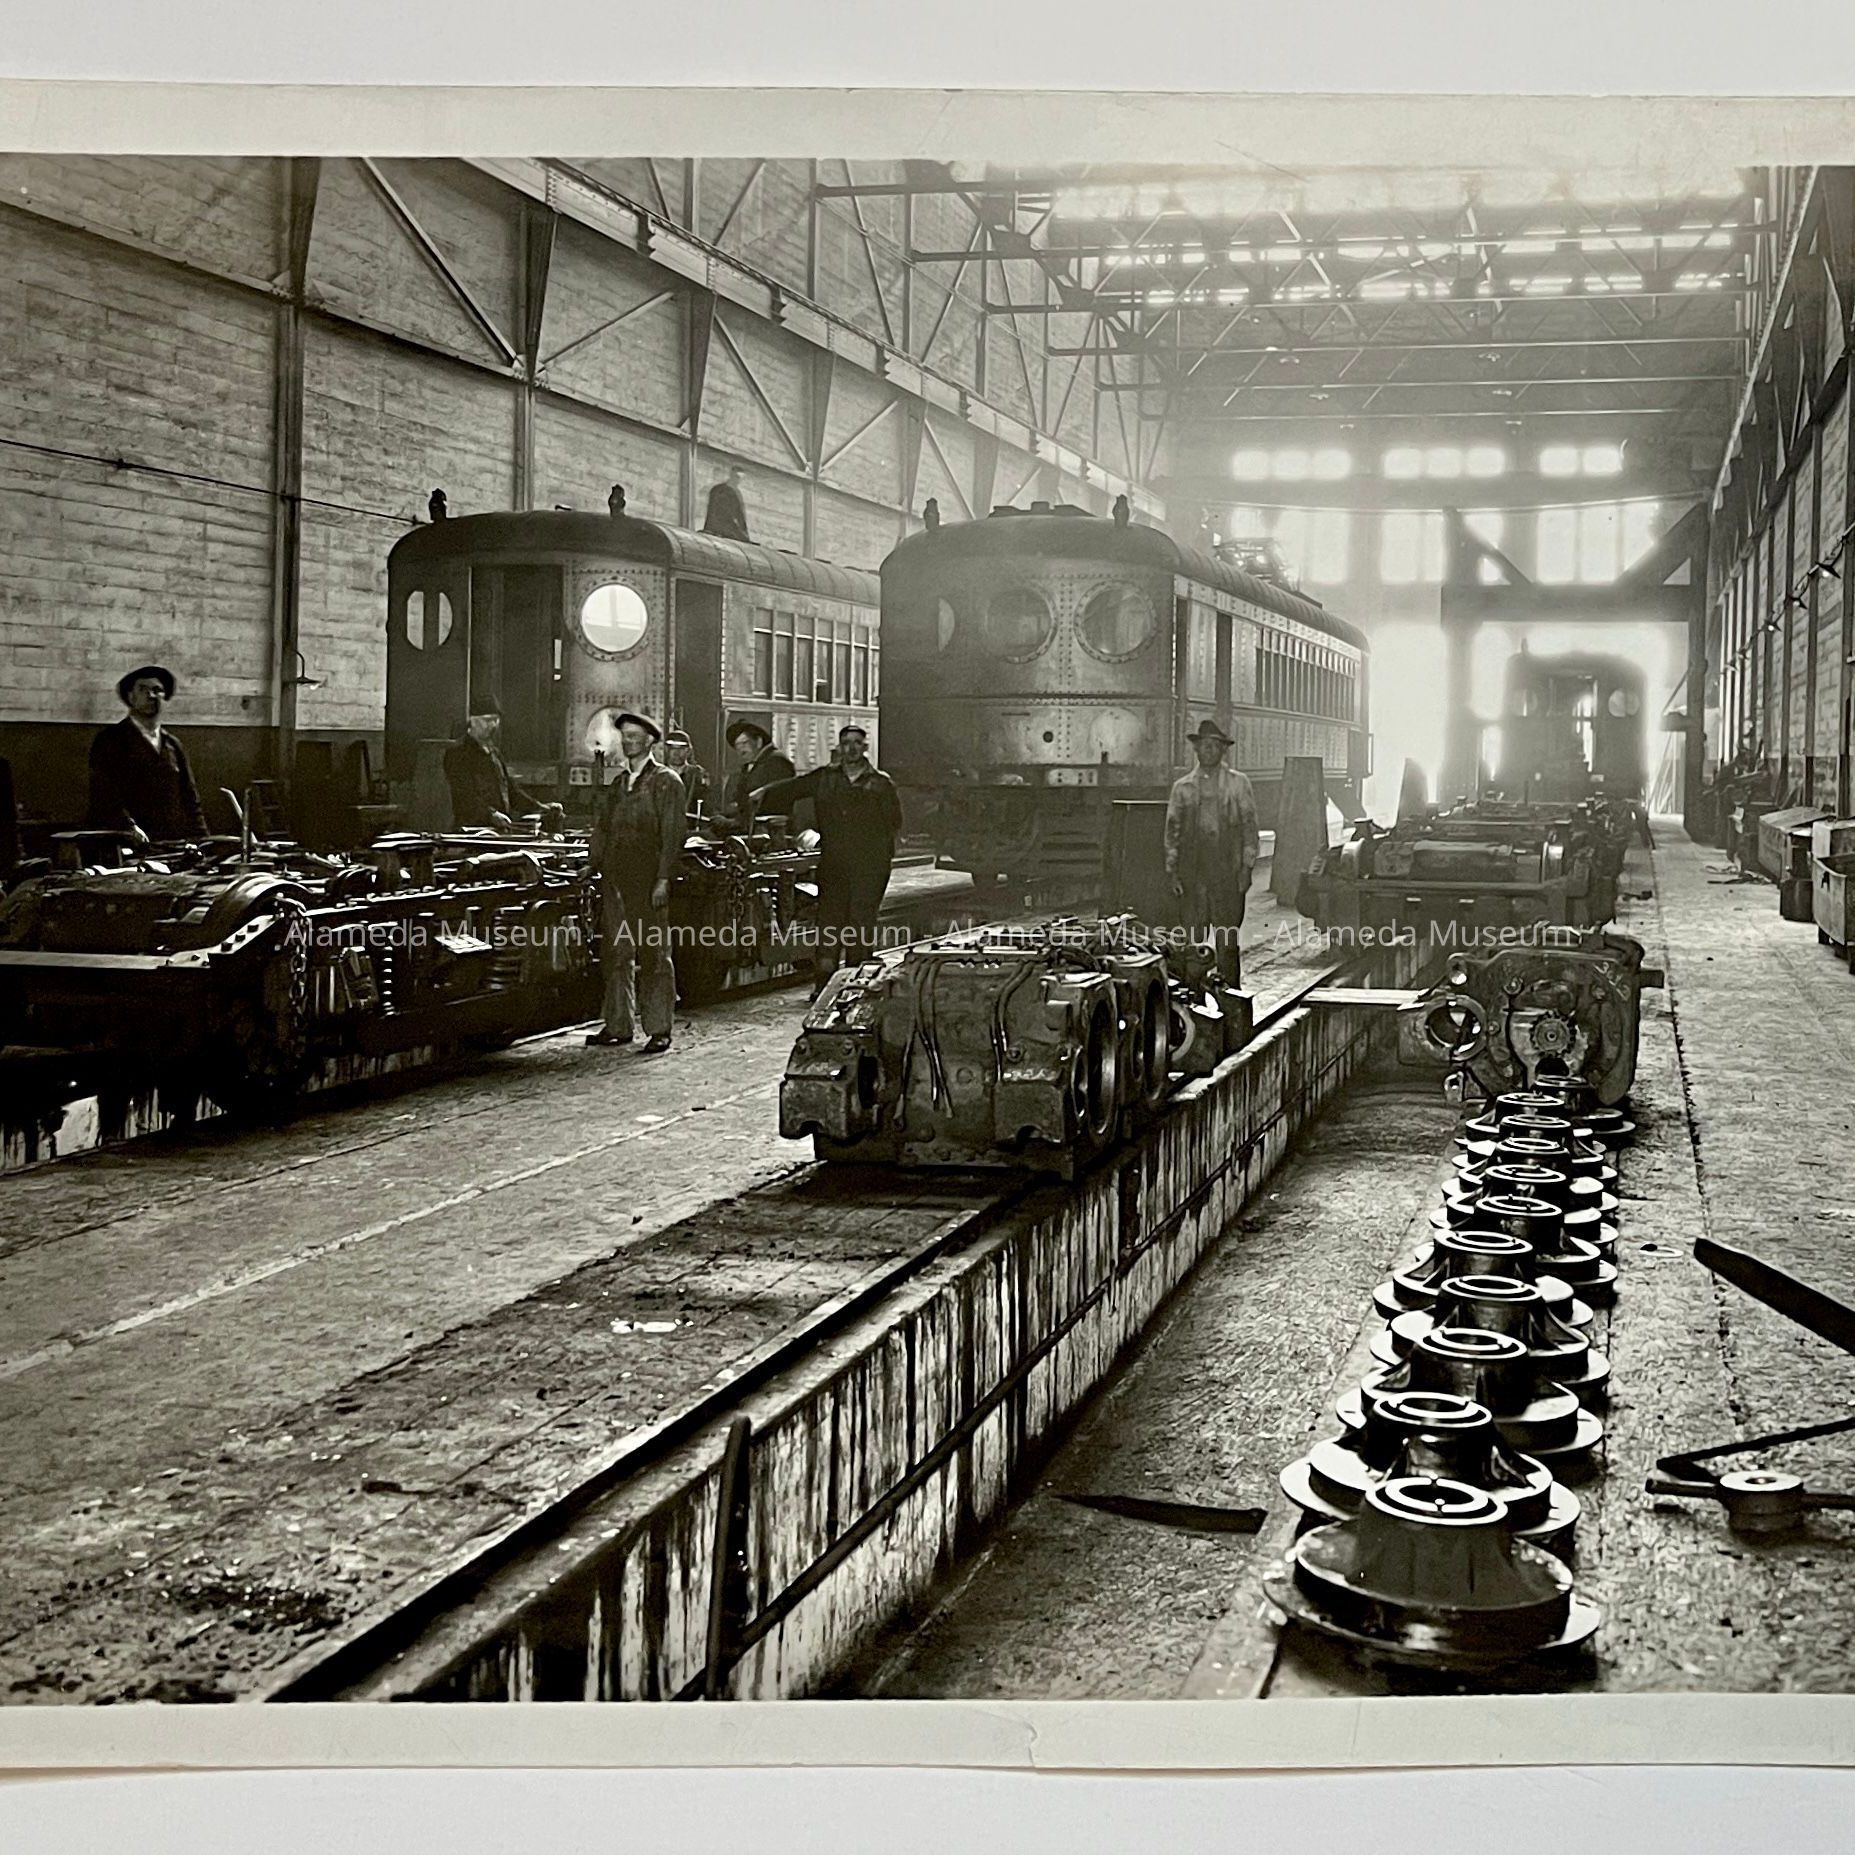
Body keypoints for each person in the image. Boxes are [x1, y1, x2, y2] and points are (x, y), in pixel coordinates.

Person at [751, 722, 902, 994]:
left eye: (857, 743)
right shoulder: (825, 778)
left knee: (860, 925)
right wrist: (763, 793)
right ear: (839, 748)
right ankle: (824, 987)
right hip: (834, 866)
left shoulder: (880, 784)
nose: (851, 749)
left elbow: (893, 822)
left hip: (869, 867)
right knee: (829, 925)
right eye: (846, 743)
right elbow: (793, 788)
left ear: (865, 747)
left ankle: (856, 986)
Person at [586, 711, 685, 1054]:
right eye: (624, 736)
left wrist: (663, 879)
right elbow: (603, 827)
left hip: (647, 880)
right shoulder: (619, 784)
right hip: (616, 879)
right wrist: (592, 863)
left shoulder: (666, 782)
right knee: (616, 953)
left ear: (649, 741)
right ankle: (618, 1025)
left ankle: (659, 1029)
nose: (627, 742)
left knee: (654, 954)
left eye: (633, 737)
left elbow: (673, 835)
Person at [1164, 720, 1260, 988]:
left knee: (1227, 940)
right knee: (1192, 943)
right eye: (1204, 745)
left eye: (1215, 746)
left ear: (1222, 750)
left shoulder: (1238, 784)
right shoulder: (1182, 788)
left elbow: (1249, 827)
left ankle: (1232, 995)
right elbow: (1172, 832)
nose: (1209, 750)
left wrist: (1246, 869)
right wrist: (1172, 872)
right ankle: (1193, 995)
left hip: (1227, 873)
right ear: (1196, 749)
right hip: (1192, 875)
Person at [87, 664, 208, 842]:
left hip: (170, 844)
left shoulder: (173, 745)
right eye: (143, 689)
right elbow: (104, 793)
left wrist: (202, 840)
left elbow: (190, 799)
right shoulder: (110, 740)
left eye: (157, 690)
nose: (151, 695)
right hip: (124, 842)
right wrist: (128, 827)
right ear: (131, 696)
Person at [444, 705, 546, 830]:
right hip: (471, 830)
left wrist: (539, 807)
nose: (492, 725)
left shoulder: (494, 754)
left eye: (495, 720)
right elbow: (464, 796)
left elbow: (511, 790)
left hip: (498, 829)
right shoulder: (458, 754)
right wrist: (491, 815)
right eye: (487, 720)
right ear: (472, 721)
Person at [714, 718, 796, 829]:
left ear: (758, 742)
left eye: (744, 743)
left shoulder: (776, 762)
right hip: (748, 827)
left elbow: (772, 805)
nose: (741, 750)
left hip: (768, 830)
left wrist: (732, 822)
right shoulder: (749, 767)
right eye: (737, 746)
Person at [664, 729, 709, 823]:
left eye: (681, 749)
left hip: (690, 825)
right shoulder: (659, 775)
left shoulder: (698, 775)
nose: (676, 753)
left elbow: (707, 803)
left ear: (688, 751)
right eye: (673, 748)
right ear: (667, 750)